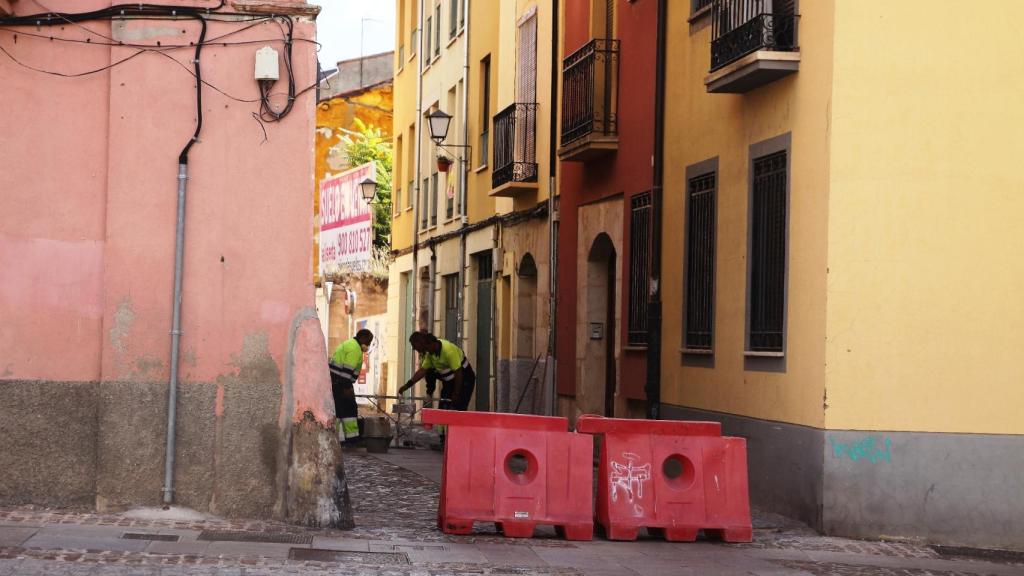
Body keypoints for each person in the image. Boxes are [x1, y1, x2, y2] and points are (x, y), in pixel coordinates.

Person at [399, 331, 475, 413]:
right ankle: (430, 395)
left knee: (458, 408)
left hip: (464, 378)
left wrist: (456, 393)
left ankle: (457, 422)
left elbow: (458, 373)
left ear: (432, 344)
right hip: (449, 380)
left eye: (426, 348)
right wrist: (407, 386)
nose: (426, 352)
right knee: (443, 408)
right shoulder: (430, 353)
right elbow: (422, 371)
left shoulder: (448, 350)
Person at [329, 328, 373, 443]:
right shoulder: (355, 349)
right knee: (350, 411)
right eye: (368, 341)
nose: (369, 344)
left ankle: (335, 438)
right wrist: (348, 389)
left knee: (338, 411)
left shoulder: (349, 344)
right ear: (362, 338)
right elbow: (346, 373)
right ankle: (352, 439)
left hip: (334, 383)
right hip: (341, 384)